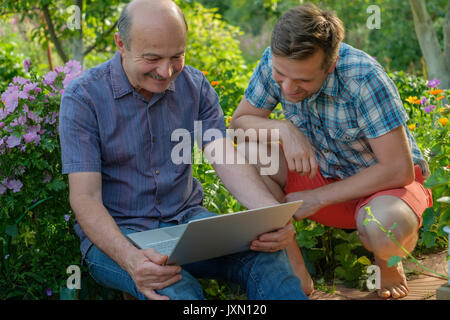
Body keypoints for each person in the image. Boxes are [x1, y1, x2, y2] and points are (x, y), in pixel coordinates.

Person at [59, 0, 307, 300]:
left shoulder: (195, 86)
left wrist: (270, 216)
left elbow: (223, 156)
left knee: (268, 256)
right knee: (178, 290)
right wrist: (132, 259)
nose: (166, 71)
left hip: (187, 225)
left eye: (177, 56)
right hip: (119, 235)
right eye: (152, 58)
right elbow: (85, 198)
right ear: (121, 44)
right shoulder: (83, 97)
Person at [230, 3, 433, 299]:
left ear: (332, 61)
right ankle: (295, 272)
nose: (287, 88)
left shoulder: (363, 77)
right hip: (322, 176)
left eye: (303, 80)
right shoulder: (278, 62)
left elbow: (397, 170)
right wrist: (284, 129)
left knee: (384, 229)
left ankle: (389, 264)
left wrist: (317, 198)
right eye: (280, 75)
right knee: (245, 152)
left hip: (384, 190)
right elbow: (239, 123)